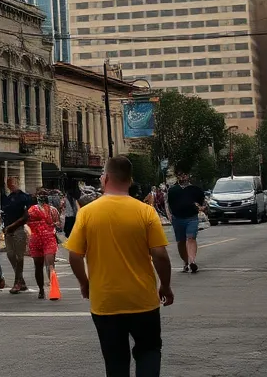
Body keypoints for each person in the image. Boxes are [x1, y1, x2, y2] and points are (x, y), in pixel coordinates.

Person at [66, 156, 173, 377]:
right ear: (130, 180)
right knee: (149, 350)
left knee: (115, 360)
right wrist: (165, 286)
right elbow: (160, 254)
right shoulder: (145, 212)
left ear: (105, 178)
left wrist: (85, 284)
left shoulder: (87, 213)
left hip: (106, 302)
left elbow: (75, 256)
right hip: (142, 300)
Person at [165, 170, 206, 274]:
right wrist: (169, 215)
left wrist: (201, 207)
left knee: (191, 238)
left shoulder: (195, 189)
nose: (183, 177)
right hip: (177, 218)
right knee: (181, 241)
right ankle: (185, 262)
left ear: (188, 176)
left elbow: (204, 204)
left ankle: (192, 261)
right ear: (178, 177)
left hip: (191, 218)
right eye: (180, 175)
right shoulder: (172, 190)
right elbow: (167, 204)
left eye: (185, 174)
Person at [0, 175, 33, 294]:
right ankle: (21, 280)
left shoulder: (25, 197)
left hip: (19, 229)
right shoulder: (7, 198)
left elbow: (26, 216)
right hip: (8, 230)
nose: (11, 184)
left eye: (13, 182)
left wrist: (12, 226)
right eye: (9, 182)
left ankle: (17, 282)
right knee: (10, 255)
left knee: (19, 256)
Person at [26, 196, 60, 301]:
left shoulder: (52, 210)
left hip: (46, 239)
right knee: (44, 266)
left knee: (45, 265)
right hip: (39, 240)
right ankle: (43, 289)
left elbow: (58, 223)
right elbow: (58, 224)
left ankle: (49, 289)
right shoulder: (31, 210)